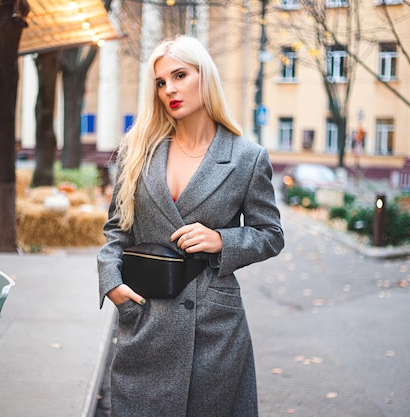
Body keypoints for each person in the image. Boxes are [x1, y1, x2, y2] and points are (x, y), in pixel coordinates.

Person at [97, 35, 285, 417]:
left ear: (205, 76)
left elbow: (271, 235)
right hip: (146, 318)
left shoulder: (246, 158)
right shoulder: (138, 150)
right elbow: (116, 230)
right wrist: (110, 283)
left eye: (180, 75)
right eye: (161, 82)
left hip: (214, 329)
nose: (170, 90)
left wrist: (222, 240)